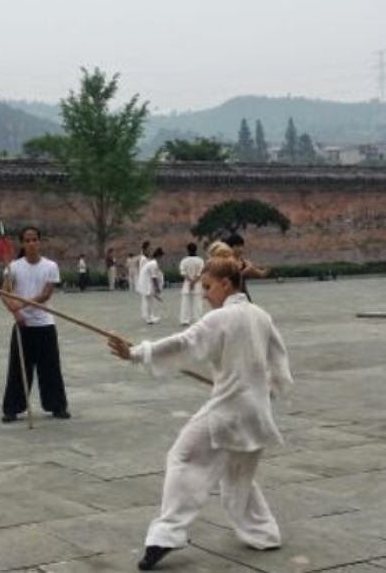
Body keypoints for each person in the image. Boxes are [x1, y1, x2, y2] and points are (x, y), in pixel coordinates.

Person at [106, 255, 293, 571]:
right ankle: (264, 533)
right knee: (238, 477)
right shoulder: (261, 315)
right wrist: (268, 389)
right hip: (256, 413)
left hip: (228, 412)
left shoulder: (220, 319)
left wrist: (136, 353)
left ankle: (164, 536)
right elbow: (279, 361)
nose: (204, 294)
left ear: (225, 283)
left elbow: (184, 343)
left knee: (182, 458)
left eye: (208, 287)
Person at [0, 226, 70, 423]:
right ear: (22, 243)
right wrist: (15, 311)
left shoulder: (50, 266)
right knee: (18, 369)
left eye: (34, 240)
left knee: (50, 368)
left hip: (45, 325)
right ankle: (12, 408)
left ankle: (57, 406)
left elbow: (46, 294)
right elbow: (4, 293)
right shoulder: (13, 267)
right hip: (23, 326)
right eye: (27, 240)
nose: (31, 244)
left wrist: (21, 304)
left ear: (39, 242)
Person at [225, 233, 269, 301]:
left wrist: (265, 269)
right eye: (237, 246)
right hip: (230, 296)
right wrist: (245, 272)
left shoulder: (244, 262)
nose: (240, 249)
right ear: (230, 247)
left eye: (242, 246)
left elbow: (261, 274)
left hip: (244, 296)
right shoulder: (225, 262)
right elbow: (229, 279)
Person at [179, 242, 205, 325]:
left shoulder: (184, 261)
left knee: (186, 303)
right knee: (197, 303)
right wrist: (194, 281)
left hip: (187, 285)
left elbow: (183, 273)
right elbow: (201, 273)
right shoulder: (200, 260)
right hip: (197, 285)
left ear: (187, 250)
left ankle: (185, 320)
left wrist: (190, 281)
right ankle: (198, 319)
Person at [138, 247, 165, 324]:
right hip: (146, 284)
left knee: (150, 301)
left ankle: (150, 316)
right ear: (159, 256)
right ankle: (148, 318)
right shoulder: (154, 264)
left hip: (146, 283)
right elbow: (154, 278)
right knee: (148, 301)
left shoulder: (152, 263)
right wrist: (157, 288)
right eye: (161, 257)